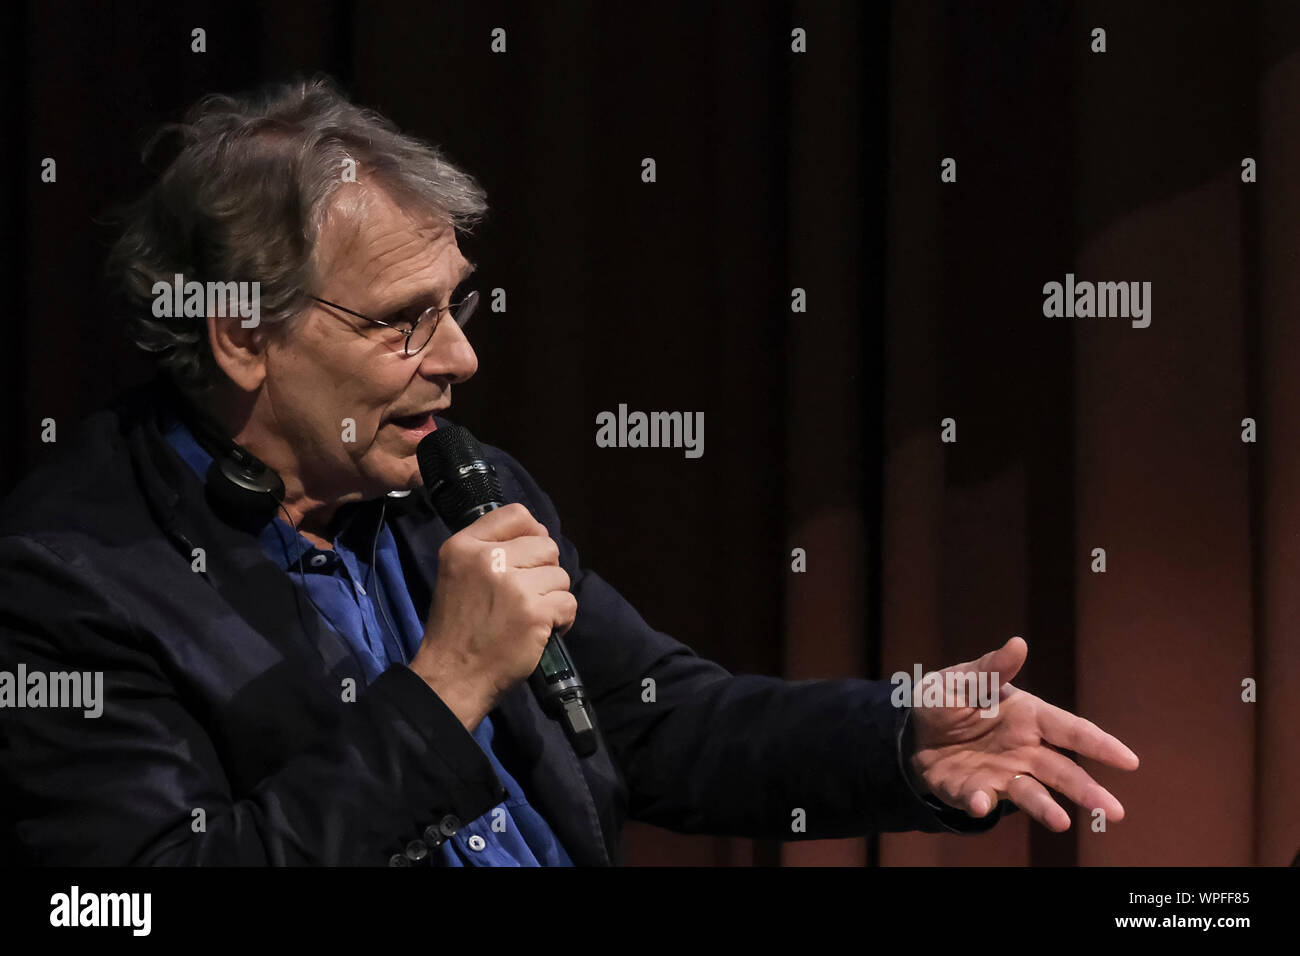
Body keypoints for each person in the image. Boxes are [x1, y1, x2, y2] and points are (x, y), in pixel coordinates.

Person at [0, 77, 1138, 866]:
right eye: (403, 322)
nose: (459, 357)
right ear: (241, 335)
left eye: (458, 304)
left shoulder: (448, 476)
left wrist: (896, 733)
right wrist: (445, 688)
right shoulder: (73, 579)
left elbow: (657, 718)